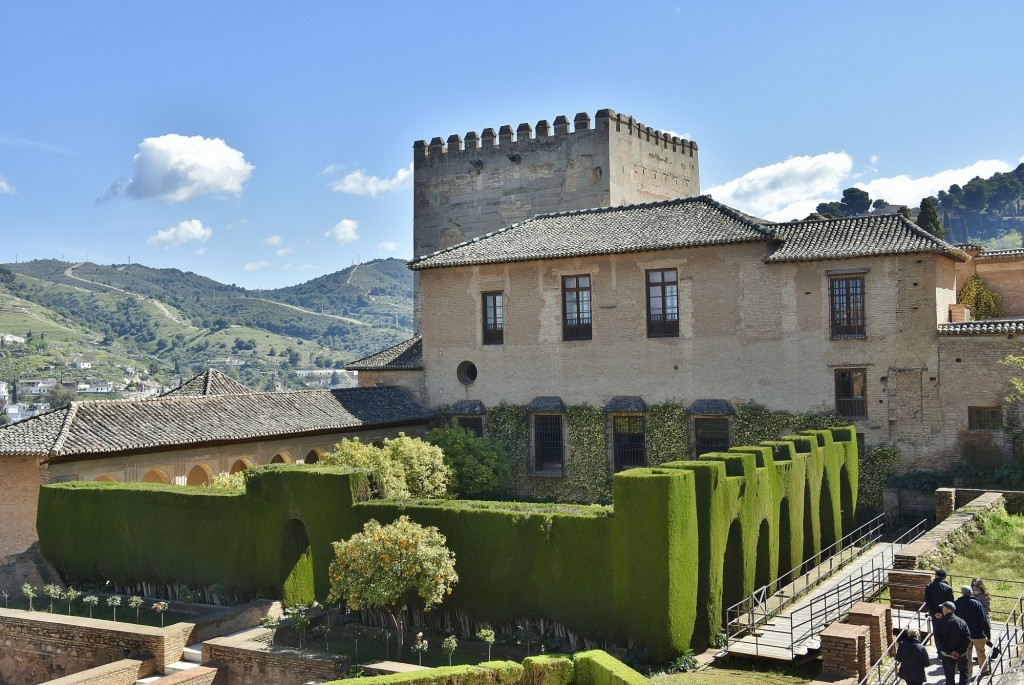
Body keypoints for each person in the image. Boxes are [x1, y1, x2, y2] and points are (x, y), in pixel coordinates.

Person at [955, 585, 990, 676]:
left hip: (964, 635)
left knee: (967, 655)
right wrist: (988, 634)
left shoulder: (957, 603)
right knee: (981, 653)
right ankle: (984, 670)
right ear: (971, 592)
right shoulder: (977, 603)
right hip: (978, 634)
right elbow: (983, 620)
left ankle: (969, 674)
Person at [934, 601, 972, 685]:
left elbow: (938, 639)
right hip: (961, 653)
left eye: (943, 608)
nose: (942, 610)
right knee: (964, 672)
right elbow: (967, 638)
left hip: (946, 654)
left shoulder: (939, 623)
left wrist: (949, 652)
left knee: (949, 675)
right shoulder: (962, 622)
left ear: (947, 609)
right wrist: (958, 651)